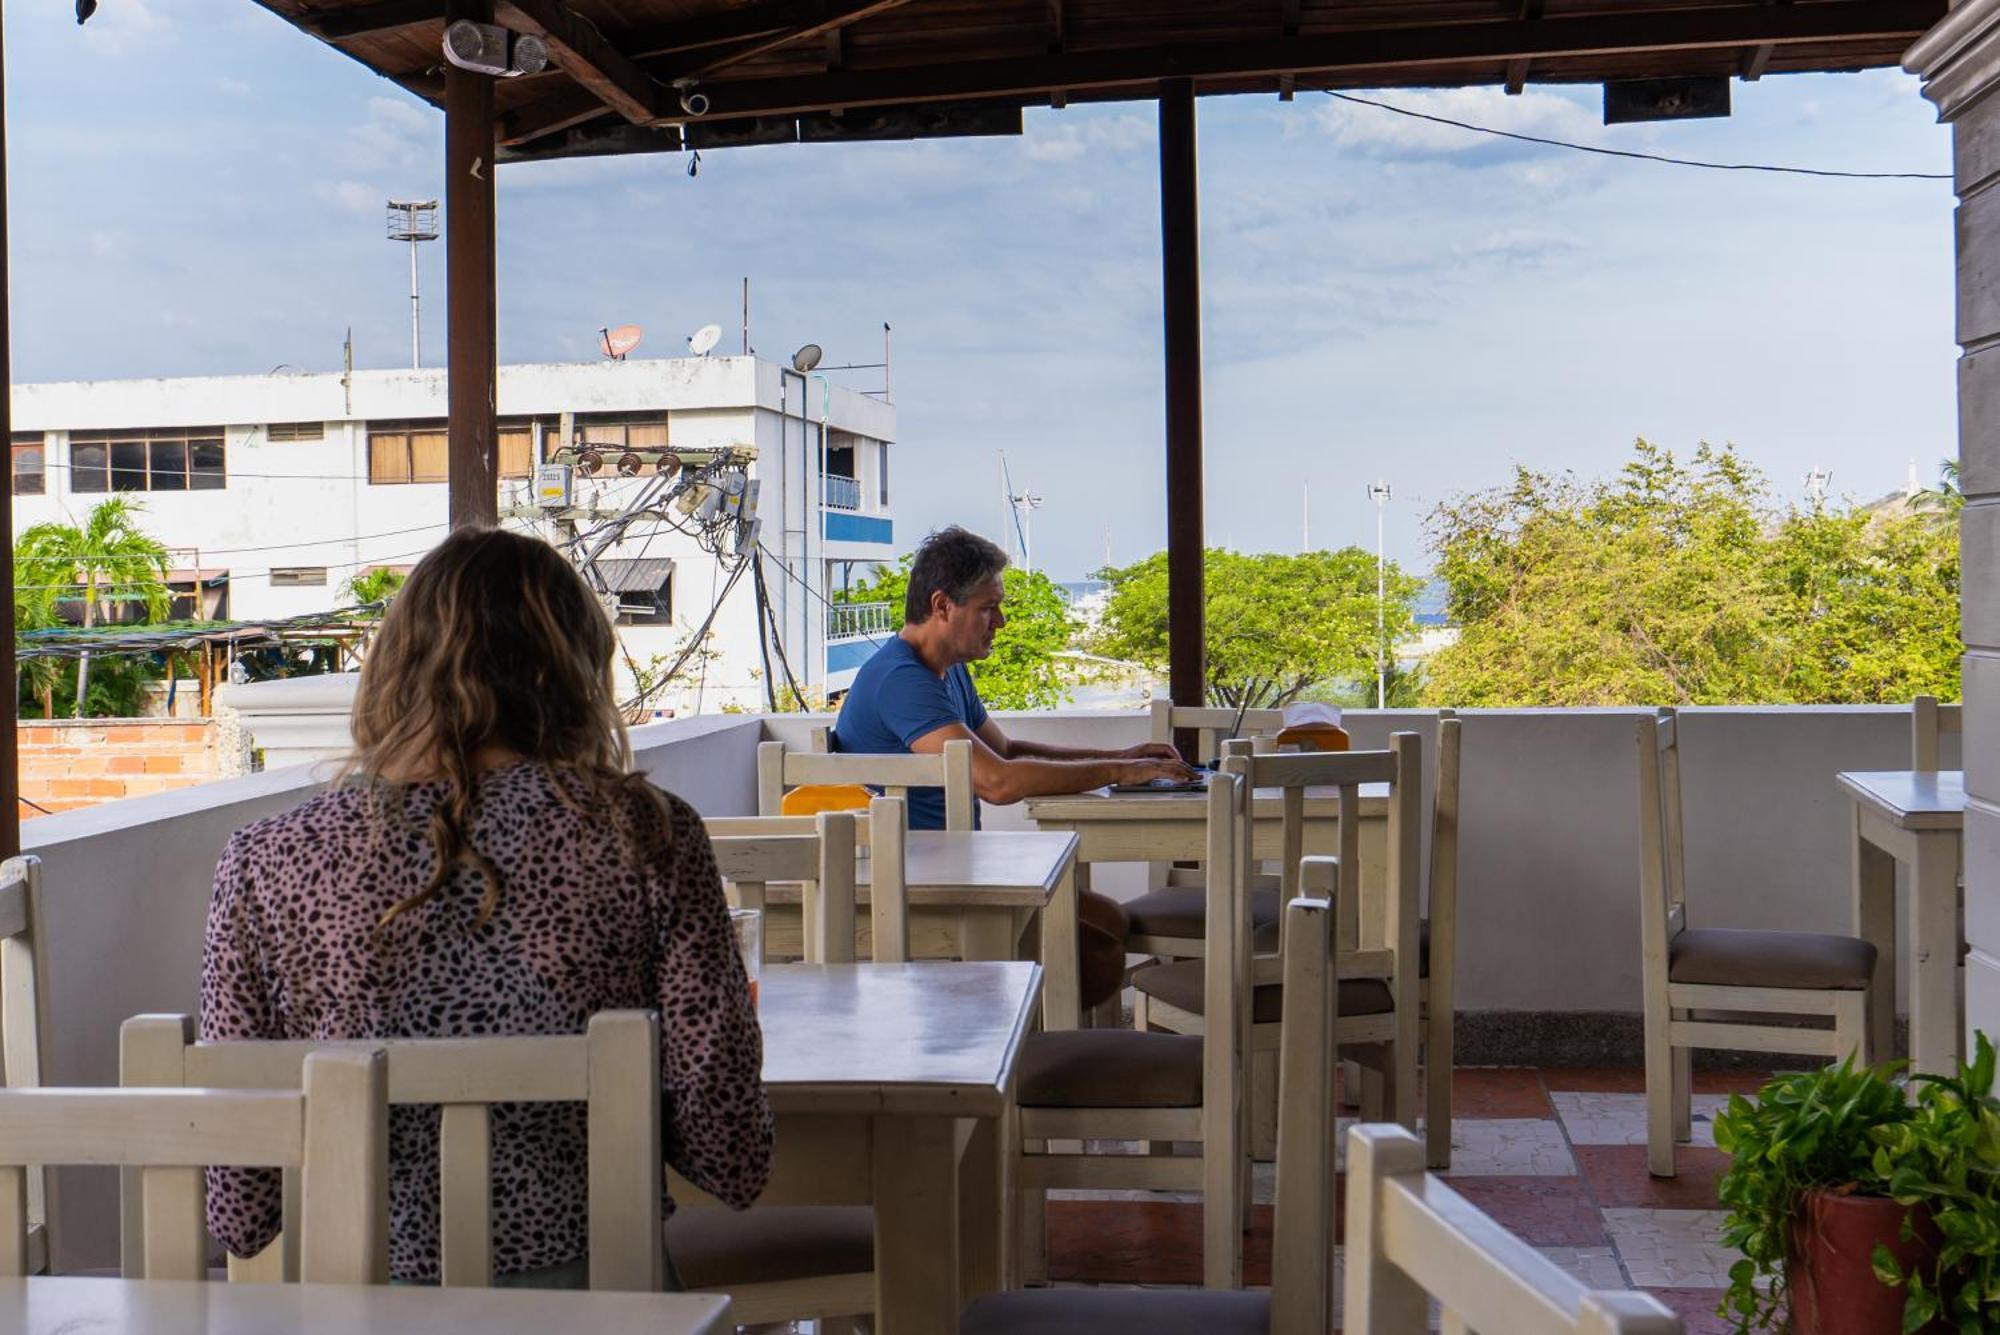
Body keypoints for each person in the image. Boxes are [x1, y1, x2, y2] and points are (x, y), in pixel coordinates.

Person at [200, 528, 771, 1287]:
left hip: (355, 1312)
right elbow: (732, 1155)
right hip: (591, 1305)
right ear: (567, 670)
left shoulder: (265, 860)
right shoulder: (646, 835)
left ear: (394, 668)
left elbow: (240, 1209)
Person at [832, 525, 1194, 1008]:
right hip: (914, 883)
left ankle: (1036, 1039)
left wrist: (1121, 757)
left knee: (1106, 922)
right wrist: (1119, 774)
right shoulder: (902, 679)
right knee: (1097, 945)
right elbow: (997, 783)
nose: (1000, 621)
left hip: (954, 865)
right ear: (942, 606)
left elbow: (1008, 751)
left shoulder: (947, 670)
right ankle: (1022, 1047)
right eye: (988, 607)